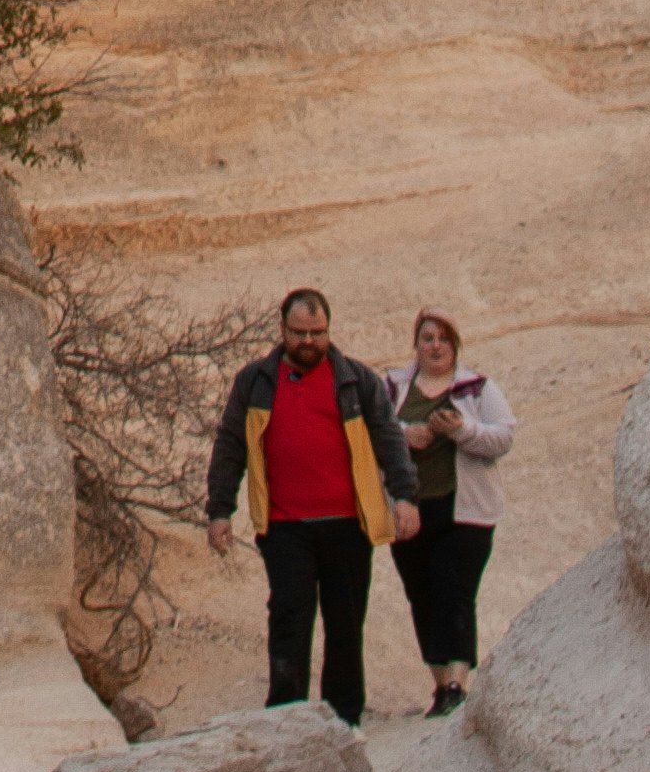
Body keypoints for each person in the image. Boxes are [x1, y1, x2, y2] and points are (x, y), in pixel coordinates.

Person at [203, 285, 420, 728]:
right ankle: (286, 723)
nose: (307, 342)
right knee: (289, 624)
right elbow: (230, 446)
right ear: (282, 330)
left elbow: (389, 439)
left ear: (329, 330)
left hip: (348, 525)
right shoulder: (255, 382)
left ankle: (344, 723)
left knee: (345, 627)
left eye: (316, 333)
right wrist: (219, 510)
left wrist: (405, 498)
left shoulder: (357, 381)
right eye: (299, 332)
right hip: (284, 528)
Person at [388, 309, 512, 714]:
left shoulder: (476, 389)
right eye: (428, 338)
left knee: (454, 591)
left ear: (455, 344)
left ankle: (458, 684)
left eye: (443, 338)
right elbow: (373, 435)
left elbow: (503, 436)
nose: (436, 346)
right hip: (409, 509)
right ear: (416, 344)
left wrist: (460, 430)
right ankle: (440, 686)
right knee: (421, 594)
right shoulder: (394, 387)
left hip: (466, 512)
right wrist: (408, 436)